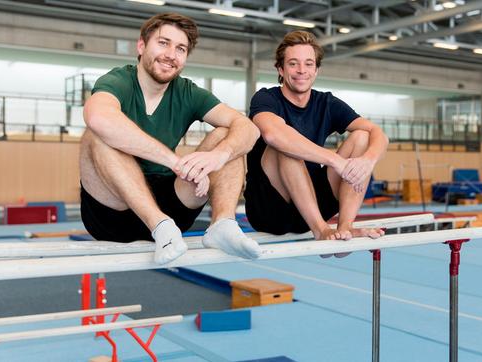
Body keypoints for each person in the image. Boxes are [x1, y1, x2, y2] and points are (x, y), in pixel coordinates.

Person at [80, 13, 261, 264]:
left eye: (180, 48)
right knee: (96, 135)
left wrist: (219, 156)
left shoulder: (188, 92)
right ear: (142, 46)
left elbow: (249, 128)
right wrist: (176, 163)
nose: (171, 54)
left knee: (227, 136)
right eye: (163, 43)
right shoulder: (119, 81)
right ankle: (158, 225)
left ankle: (223, 224)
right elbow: (98, 117)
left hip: (173, 209)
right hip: (114, 211)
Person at [244, 31, 389, 250]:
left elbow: (378, 133)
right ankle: (321, 230)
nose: (301, 70)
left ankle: (345, 226)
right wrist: (335, 161)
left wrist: (368, 161)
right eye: (293, 64)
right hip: (271, 210)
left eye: (308, 64)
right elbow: (273, 134)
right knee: (284, 143)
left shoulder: (326, 102)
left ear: (316, 70)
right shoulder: (266, 98)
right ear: (281, 70)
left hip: (313, 203)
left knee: (362, 136)